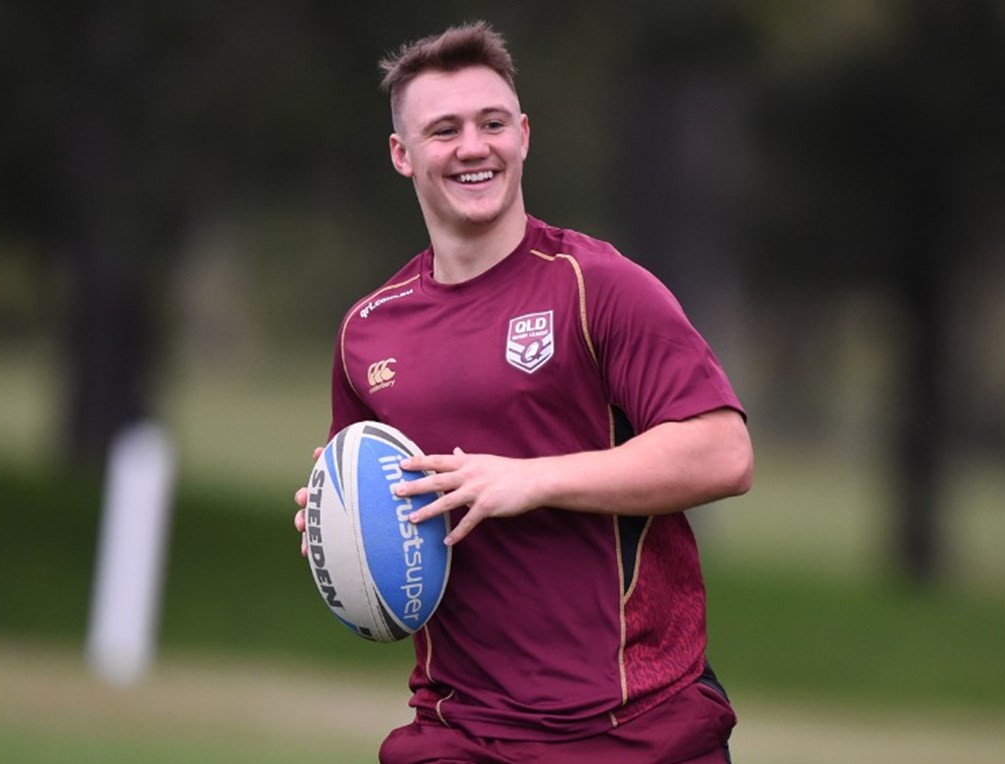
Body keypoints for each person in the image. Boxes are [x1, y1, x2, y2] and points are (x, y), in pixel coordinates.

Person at [290, 21, 752, 763]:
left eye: (492, 123)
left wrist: (527, 481)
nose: (474, 146)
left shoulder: (600, 288)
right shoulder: (366, 335)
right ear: (402, 155)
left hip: (636, 729)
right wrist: (342, 528)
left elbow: (724, 453)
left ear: (524, 135)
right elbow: (396, 548)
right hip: (462, 731)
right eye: (444, 130)